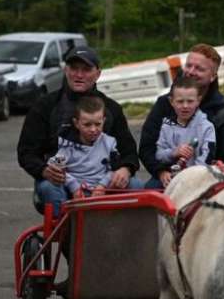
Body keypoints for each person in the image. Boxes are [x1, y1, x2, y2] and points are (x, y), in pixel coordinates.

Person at [18, 45, 140, 216]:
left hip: (103, 181)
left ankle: (120, 236)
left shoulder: (112, 109)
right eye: (74, 69)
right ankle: (69, 236)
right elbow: (26, 153)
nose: (79, 75)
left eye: (86, 70)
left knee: (136, 186)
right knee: (48, 188)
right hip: (61, 181)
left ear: (98, 73)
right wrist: (44, 170)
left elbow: (129, 152)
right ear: (66, 70)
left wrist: (125, 169)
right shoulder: (44, 106)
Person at [139, 43, 224, 181]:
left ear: (212, 76)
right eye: (189, 66)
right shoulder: (164, 104)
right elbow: (147, 147)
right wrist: (160, 172)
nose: (191, 71)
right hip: (168, 178)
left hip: (212, 180)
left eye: (199, 69)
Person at [144, 75, 216, 189]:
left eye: (190, 101)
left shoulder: (207, 127)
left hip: (198, 177)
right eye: (180, 101)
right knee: (150, 188)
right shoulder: (166, 126)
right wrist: (173, 152)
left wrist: (189, 177)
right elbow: (159, 154)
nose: (185, 106)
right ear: (171, 101)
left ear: (198, 101)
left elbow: (207, 157)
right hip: (172, 176)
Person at [50, 96, 119, 198]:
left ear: (104, 120)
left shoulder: (110, 143)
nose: (93, 129)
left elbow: (114, 168)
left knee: (134, 184)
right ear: (76, 123)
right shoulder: (67, 145)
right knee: (49, 187)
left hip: (103, 189)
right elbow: (55, 167)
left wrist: (102, 185)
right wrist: (74, 186)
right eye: (87, 125)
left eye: (98, 124)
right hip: (76, 192)